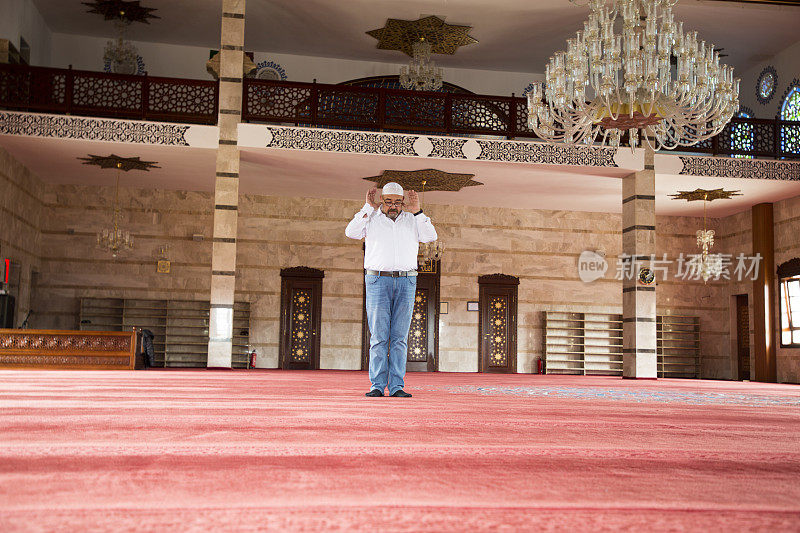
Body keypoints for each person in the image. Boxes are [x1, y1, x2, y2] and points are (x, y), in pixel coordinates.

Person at [345, 182, 437, 397]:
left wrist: (418, 211)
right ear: (382, 202)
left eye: (397, 202)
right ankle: (377, 385)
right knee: (379, 336)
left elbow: (430, 236)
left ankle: (396, 386)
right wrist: (367, 207)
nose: (393, 206)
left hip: (406, 282)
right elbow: (351, 232)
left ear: (402, 203)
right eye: (388, 202)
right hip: (377, 281)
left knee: (399, 337)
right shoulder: (371, 218)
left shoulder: (412, 220)